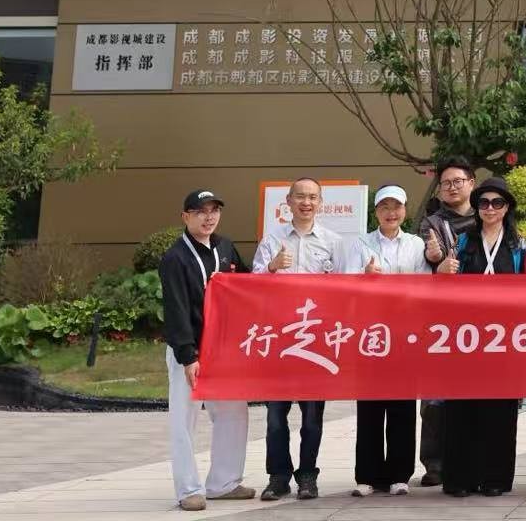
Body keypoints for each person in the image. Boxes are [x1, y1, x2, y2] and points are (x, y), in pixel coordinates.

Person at [252, 176, 358, 501]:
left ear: (320, 203)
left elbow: (346, 291)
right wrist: (270, 268)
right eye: (300, 196)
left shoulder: (334, 242)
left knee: (312, 418)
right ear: (288, 201)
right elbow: (251, 289)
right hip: (281, 341)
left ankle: (308, 476)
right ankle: (278, 477)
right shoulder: (272, 240)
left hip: (316, 342)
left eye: (313, 197)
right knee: (275, 418)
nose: (306, 202)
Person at [435, 177, 526, 497]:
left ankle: (495, 478)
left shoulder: (520, 246)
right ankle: (460, 479)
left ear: (507, 207)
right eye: (484, 203)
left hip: (503, 340)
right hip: (466, 339)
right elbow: (446, 288)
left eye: (497, 203)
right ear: (476, 208)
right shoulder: (463, 241)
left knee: (499, 409)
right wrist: (442, 271)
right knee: (462, 408)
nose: (490, 208)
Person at [160, 189, 253, 512]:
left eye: (214, 210)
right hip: (191, 351)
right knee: (185, 419)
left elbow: (245, 286)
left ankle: (223, 483)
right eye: (200, 211)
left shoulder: (224, 246)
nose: (208, 217)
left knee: (234, 411)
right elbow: (176, 310)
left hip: (224, 348)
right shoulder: (175, 258)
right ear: (185, 217)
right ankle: (188, 489)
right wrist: (188, 356)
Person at [354, 184, 427, 498]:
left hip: (404, 334)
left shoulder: (415, 244)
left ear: (404, 211)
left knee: (402, 406)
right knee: (369, 407)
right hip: (370, 334)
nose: (390, 213)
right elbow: (346, 283)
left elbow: (425, 285)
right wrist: (365, 276)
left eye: (396, 207)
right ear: (376, 212)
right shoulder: (360, 243)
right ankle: (367, 475)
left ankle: (399, 474)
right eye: (384, 207)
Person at [417, 156, 478, 487]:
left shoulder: (487, 217)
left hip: (480, 322)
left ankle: (471, 458)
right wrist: (434, 264)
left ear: (471, 183)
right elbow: (420, 266)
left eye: (458, 181)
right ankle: (435, 463)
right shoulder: (430, 224)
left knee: (475, 394)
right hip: (439, 323)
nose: (452, 187)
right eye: (446, 183)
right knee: (435, 399)